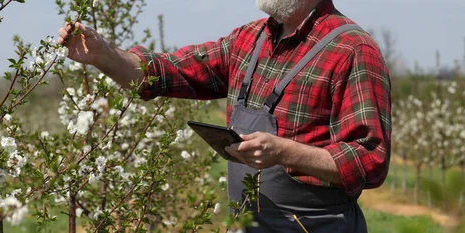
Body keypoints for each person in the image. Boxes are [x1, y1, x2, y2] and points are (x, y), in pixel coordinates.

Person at [57, 0, 391, 232]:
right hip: (247, 226)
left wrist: (285, 152)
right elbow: (165, 72)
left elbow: (370, 159)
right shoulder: (249, 39)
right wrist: (104, 55)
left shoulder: (351, 49)